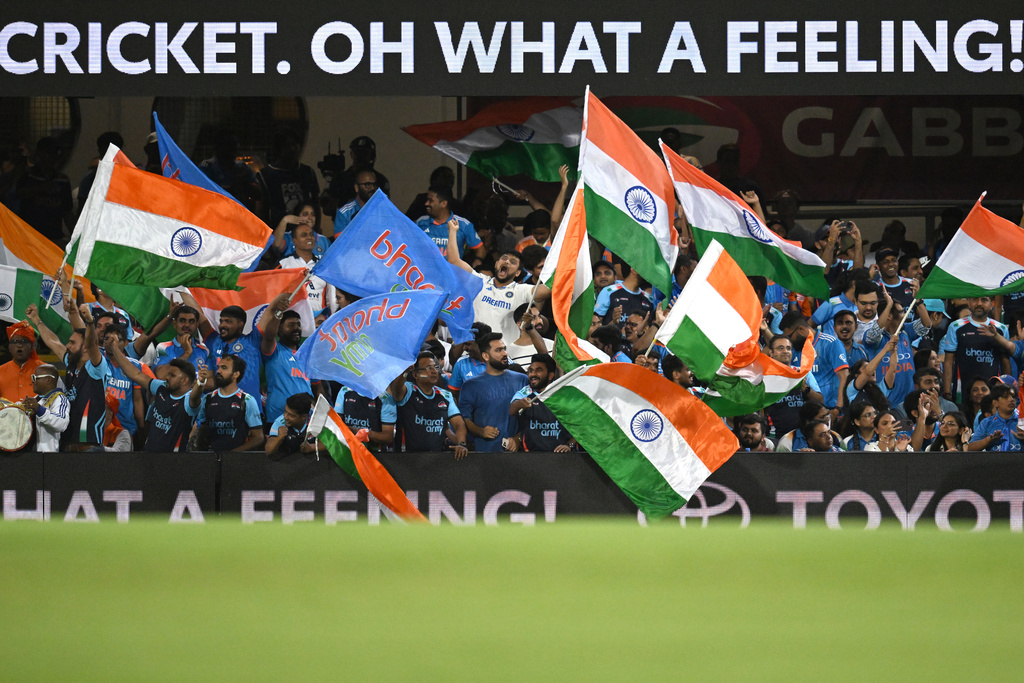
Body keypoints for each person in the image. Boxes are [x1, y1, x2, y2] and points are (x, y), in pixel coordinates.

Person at [446, 219, 551, 346]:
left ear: (518, 273)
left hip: (504, 355)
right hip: (475, 349)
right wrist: (452, 231)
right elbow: (454, 262)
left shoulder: (521, 290)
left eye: (513, 262)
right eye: (504, 259)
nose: (507, 262)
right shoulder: (480, 281)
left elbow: (546, 291)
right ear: (496, 264)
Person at [31, 303, 112, 451]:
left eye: (72, 342)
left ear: (85, 347)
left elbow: (93, 344)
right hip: (67, 442)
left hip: (88, 445)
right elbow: (53, 342)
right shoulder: (71, 363)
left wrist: (89, 321)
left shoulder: (96, 368)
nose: (67, 345)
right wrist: (37, 320)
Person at [107, 342, 198, 452]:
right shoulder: (162, 387)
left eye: (172, 375)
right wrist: (115, 349)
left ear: (184, 380)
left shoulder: (189, 401)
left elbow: (195, 397)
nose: (167, 377)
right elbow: (136, 375)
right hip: (149, 457)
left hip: (174, 462)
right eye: (169, 374)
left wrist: (201, 385)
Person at [389, 352, 468, 458]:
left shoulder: (445, 395)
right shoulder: (408, 390)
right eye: (427, 368)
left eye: (435, 367)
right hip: (406, 459)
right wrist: (405, 371)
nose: (434, 371)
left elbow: (459, 423)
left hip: (436, 459)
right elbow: (396, 390)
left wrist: (461, 444)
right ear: (415, 375)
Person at [458, 334, 529, 452]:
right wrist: (480, 431)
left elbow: (532, 416)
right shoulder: (470, 386)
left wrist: (518, 438)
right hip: (484, 454)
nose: (504, 353)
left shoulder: (522, 380)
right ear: (485, 356)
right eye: (498, 350)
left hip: (517, 454)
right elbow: (464, 418)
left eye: (504, 349)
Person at [261, 293, 320, 424]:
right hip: (278, 418)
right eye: (291, 325)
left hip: (306, 420)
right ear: (279, 330)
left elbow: (318, 387)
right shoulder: (273, 351)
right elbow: (269, 336)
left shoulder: (307, 354)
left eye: (298, 325)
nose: (296, 328)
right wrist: (278, 314)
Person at [941, 296, 1009, 402]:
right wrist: (947, 391)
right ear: (968, 302)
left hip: (993, 391)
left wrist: (1007, 389)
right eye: (975, 299)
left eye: (984, 300)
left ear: (992, 304)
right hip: (962, 391)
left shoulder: (1001, 329)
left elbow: (1005, 360)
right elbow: (949, 361)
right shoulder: (955, 327)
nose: (979, 303)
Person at [192, 355, 264, 453]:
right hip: (209, 459)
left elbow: (258, 437)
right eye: (218, 367)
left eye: (224, 368)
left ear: (236, 374)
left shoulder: (247, 400)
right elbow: (198, 426)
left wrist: (233, 454)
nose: (218, 371)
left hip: (234, 462)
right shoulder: (208, 398)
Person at [255, 129, 320, 229]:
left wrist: (317, 228)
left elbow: (316, 203)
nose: (292, 149)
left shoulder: (307, 172)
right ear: (279, 149)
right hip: (279, 233)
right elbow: (261, 209)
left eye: (295, 144)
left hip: (305, 231)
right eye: (287, 145)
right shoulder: (266, 175)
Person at [509, 354, 571, 452]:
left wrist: (569, 445)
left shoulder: (563, 395)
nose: (533, 374)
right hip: (531, 457)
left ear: (550, 375)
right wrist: (520, 403)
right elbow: (512, 409)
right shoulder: (525, 392)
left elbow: (581, 425)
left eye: (539, 370)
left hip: (561, 458)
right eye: (531, 370)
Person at [418, 185, 484, 259]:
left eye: (431, 200)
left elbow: (480, 251)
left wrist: (476, 262)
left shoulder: (463, 225)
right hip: (426, 270)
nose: (426, 203)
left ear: (444, 204)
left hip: (452, 270)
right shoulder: (420, 222)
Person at [278, 222, 330, 314]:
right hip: (292, 319)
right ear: (295, 241)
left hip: (318, 320)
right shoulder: (283, 264)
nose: (309, 237)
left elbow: (330, 297)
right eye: (304, 235)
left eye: (311, 234)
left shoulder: (324, 266)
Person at [19, 364, 68, 453]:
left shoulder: (60, 399)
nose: (32, 381)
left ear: (48, 380)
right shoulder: (36, 400)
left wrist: (39, 409)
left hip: (49, 457)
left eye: (34, 377)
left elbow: (61, 423)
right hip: (29, 455)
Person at [333, 385, 396, 450]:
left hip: (375, 453)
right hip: (348, 450)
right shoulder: (345, 390)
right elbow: (336, 425)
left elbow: (388, 437)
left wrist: (365, 433)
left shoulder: (386, 399)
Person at [595, 265, 654, 329]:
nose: (648, 273)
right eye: (646, 270)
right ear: (634, 270)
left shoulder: (649, 299)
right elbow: (595, 325)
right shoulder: (608, 291)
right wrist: (613, 321)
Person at [0, 320, 44, 403]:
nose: (19, 345)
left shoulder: (45, 371)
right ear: (9, 347)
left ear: (32, 347)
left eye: (23, 341)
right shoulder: (0, 371)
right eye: (15, 342)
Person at [969, 384, 1022, 452]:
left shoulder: (1022, 421)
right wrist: (988, 440)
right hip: (994, 462)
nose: (1011, 399)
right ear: (995, 403)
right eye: (1005, 397)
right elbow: (971, 448)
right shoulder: (986, 423)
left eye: (1013, 396)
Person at [266, 392, 318, 457]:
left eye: (291, 415)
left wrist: (312, 447)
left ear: (303, 417)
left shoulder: (317, 418)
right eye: (285, 411)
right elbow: (268, 451)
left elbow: (331, 442)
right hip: (286, 464)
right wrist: (279, 438)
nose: (285, 417)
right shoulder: (280, 422)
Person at [333, 168, 378, 235]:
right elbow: (341, 243)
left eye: (374, 184)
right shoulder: (344, 213)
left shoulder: (384, 208)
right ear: (356, 188)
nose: (373, 188)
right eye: (368, 185)